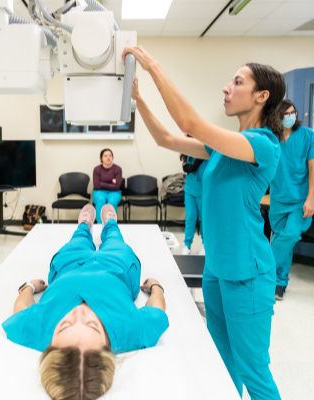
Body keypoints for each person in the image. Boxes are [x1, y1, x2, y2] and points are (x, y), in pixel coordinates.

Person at [123, 46, 284, 400]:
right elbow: (166, 138)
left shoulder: (263, 146)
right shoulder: (222, 148)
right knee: (223, 362)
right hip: (217, 270)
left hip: (249, 275)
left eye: (237, 82)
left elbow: (190, 124)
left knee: (253, 369)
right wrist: (137, 100)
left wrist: (152, 64)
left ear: (261, 96)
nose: (227, 88)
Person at [2, 204, 168, 400]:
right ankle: (111, 224)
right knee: (115, 240)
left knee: (78, 240)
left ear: (51, 346)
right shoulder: (128, 332)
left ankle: (84, 225)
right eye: (92, 325)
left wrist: (29, 286)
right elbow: (157, 311)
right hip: (117, 267)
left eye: (64, 325)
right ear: (108, 348)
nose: (79, 314)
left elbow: (21, 310)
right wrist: (156, 286)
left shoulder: (37, 332)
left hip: (70, 265)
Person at [269, 99, 314, 300]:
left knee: (290, 235)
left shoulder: (307, 136)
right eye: (286, 114)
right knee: (280, 238)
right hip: (278, 200)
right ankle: (279, 283)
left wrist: (311, 198)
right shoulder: (272, 138)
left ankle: (262, 272)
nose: (290, 116)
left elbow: (313, 169)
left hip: (300, 200)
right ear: (278, 116)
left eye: (293, 112)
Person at [180, 153, 208, 255]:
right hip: (190, 189)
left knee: (204, 219)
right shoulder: (188, 151)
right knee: (190, 217)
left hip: (203, 191)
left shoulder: (204, 149)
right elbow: (186, 167)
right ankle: (187, 245)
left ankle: (205, 245)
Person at [92, 148, 123, 223]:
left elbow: (117, 186)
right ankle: (100, 225)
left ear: (112, 157)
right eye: (105, 156)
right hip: (99, 192)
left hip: (115, 192)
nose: (108, 157)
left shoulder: (118, 169)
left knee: (112, 202)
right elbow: (96, 185)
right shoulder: (97, 169)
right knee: (100, 200)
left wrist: (102, 183)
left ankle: (110, 224)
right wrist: (111, 182)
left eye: (110, 155)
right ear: (101, 158)